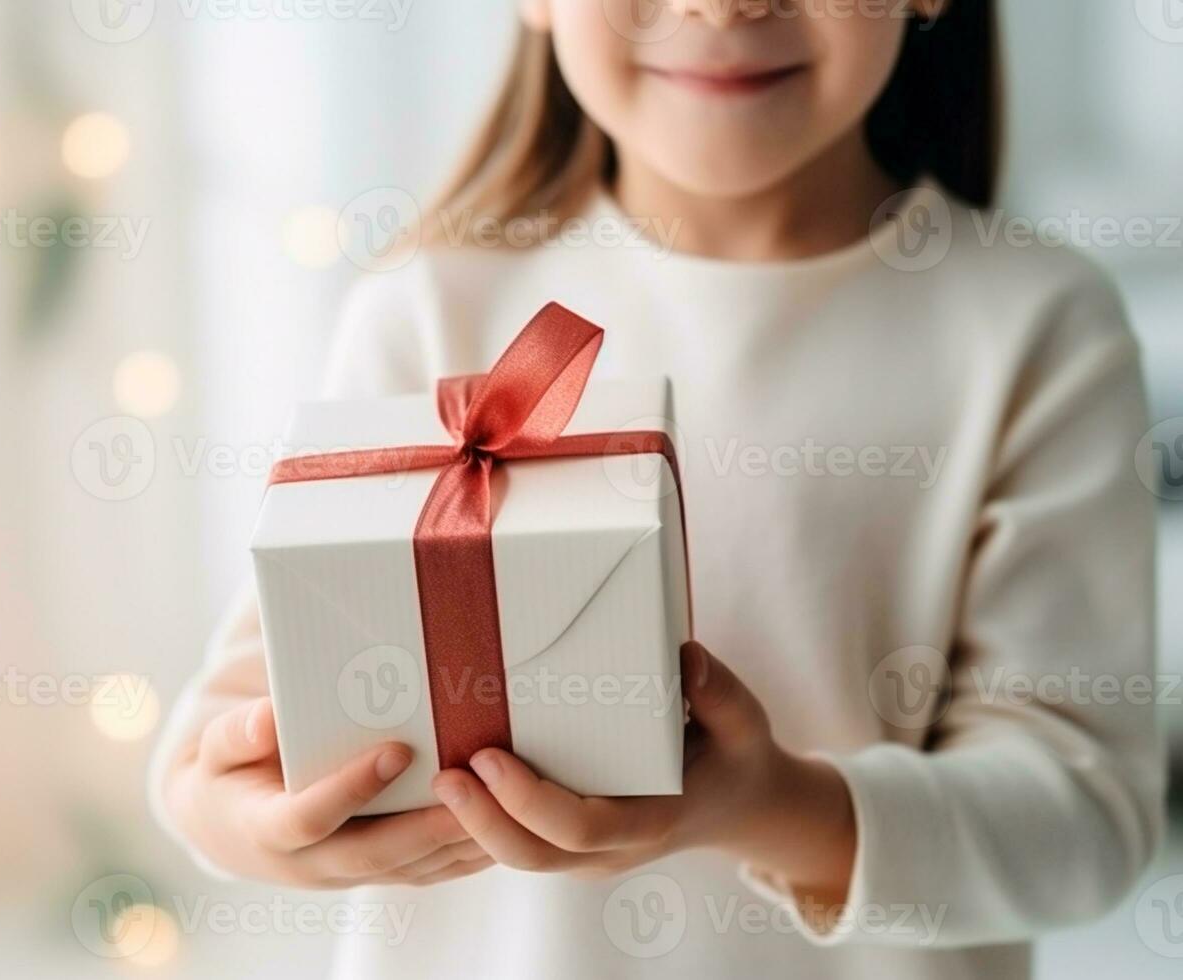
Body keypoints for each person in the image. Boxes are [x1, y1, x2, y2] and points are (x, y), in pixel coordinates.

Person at [151, 2, 1164, 976]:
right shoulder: (427, 313)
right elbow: (216, 744)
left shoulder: (1036, 333)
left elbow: (1087, 823)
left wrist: (766, 805)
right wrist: (260, 824)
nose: (721, 5)